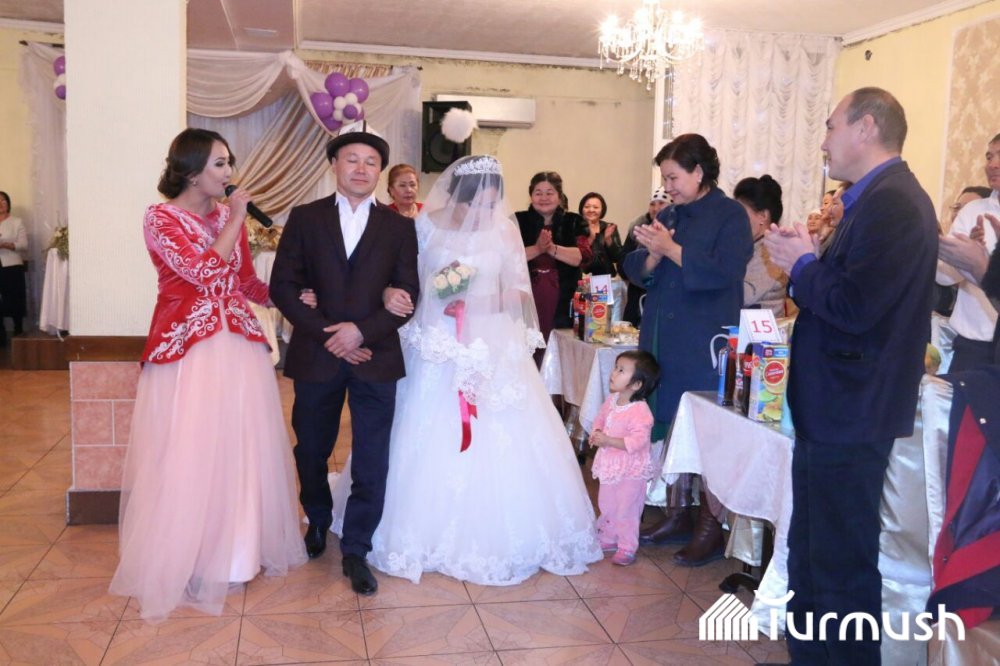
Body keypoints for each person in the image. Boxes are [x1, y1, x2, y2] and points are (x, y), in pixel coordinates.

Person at [329, 155, 602, 585]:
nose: (483, 209)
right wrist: (433, 294)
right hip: (435, 339)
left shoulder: (504, 229)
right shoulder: (424, 224)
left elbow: (517, 290)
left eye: (492, 200)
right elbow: (406, 279)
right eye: (477, 200)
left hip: (488, 339)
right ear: (458, 194)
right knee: (419, 424)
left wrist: (476, 302)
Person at [764, 87, 938, 664]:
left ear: (866, 128)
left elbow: (856, 308)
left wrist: (802, 265)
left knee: (841, 565)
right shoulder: (868, 200)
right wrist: (805, 258)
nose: (824, 141)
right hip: (835, 407)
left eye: (831, 126)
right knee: (814, 553)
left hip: (853, 409)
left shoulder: (894, 203)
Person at [109, 129, 307, 620]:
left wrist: (292, 298)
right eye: (220, 163)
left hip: (237, 345)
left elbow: (244, 282)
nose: (229, 172)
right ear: (192, 171)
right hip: (188, 349)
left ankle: (235, 554)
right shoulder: (160, 218)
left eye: (228, 162)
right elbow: (202, 272)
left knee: (238, 447)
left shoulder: (224, 216)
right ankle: (190, 557)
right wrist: (237, 217)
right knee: (191, 448)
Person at [269, 126, 419, 596]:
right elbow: (282, 287)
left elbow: (408, 294)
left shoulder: (399, 227)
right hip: (318, 354)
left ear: (380, 172)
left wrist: (362, 332)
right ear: (334, 165)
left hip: (376, 355)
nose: (360, 168)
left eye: (370, 162)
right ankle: (317, 519)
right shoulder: (305, 218)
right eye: (351, 159)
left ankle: (357, 547)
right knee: (311, 448)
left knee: (372, 458)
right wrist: (331, 336)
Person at [622, 133, 753, 565]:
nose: (668, 187)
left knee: (705, 429)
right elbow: (636, 267)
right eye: (664, 178)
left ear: (699, 172)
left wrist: (672, 250)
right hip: (664, 335)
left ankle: (709, 526)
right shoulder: (671, 213)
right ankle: (677, 512)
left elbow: (727, 271)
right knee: (671, 421)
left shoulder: (731, 216)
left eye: (674, 177)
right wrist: (653, 257)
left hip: (703, 339)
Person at [590, 350, 660, 567]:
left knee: (627, 508)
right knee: (607, 502)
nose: (614, 373)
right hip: (610, 465)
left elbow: (638, 441)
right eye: (616, 367)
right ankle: (609, 537)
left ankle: (627, 546)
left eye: (621, 370)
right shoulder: (612, 400)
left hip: (631, 469)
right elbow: (600, 419)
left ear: (637, 384)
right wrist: (596, 432)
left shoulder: (640, 411)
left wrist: (608, 440)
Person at [936, 133, 1000, 371]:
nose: (992, 164)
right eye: (989, 157)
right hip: (972, 346)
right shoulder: (973, 211)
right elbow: (942, 277)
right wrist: (965, 258)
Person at [515, 172, 592, 365]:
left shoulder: (574, 221)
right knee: (526, 349)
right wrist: (537, 249)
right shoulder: (517, 221)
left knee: (559, 350)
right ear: (531, 195)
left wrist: (551, 248)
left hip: (563, 294)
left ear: (559, 196)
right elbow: (506, 257)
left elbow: (583, 256)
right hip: (526, 295)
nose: (544, 198)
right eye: (538, 193)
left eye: (549, 193)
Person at [733, 175, 787, 316]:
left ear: (763, 216)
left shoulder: (771, 251)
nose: (734, 221)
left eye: (739, 214)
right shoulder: (752, 245)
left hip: (758, 329)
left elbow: (743, 295)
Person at [621, 187, 671, 326]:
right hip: (636, 298)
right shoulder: (638, 228)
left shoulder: (676, 231)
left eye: (661, 203)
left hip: (662, 300)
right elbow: (622, 264)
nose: (656, 208)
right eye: (652, 204)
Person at [0, 191, 28, 346]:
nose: (0, 204)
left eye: (3, 200)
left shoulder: (17, 222)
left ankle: (18, 331)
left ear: (8, 203)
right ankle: (1, 335)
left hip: (11, 265)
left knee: (15, 299)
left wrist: (6, 245)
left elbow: (23, 245)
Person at [579, 192, 623, 277]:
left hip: (607, 277)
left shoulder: (609, 227)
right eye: (587, 207)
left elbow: (618, 257)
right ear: (582, 209)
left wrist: (608, 239)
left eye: (595, 207)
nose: (591, 210)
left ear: (602, 210)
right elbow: (576, 256)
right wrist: (591, 238)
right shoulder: (575, 228)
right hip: (583, 278)